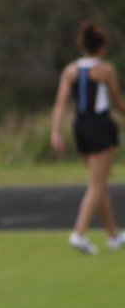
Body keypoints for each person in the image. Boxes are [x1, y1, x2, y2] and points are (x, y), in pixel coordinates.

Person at [51, 20, 125, 255]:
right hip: (101, 126)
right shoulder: (105, 70)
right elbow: (117, 103)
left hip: (80, 127)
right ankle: (79, 234)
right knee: (97, 184)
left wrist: (56, 130)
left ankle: (114, 236)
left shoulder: (70, 70)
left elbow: (61, 103)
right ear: (101, 47)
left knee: (98, 183)